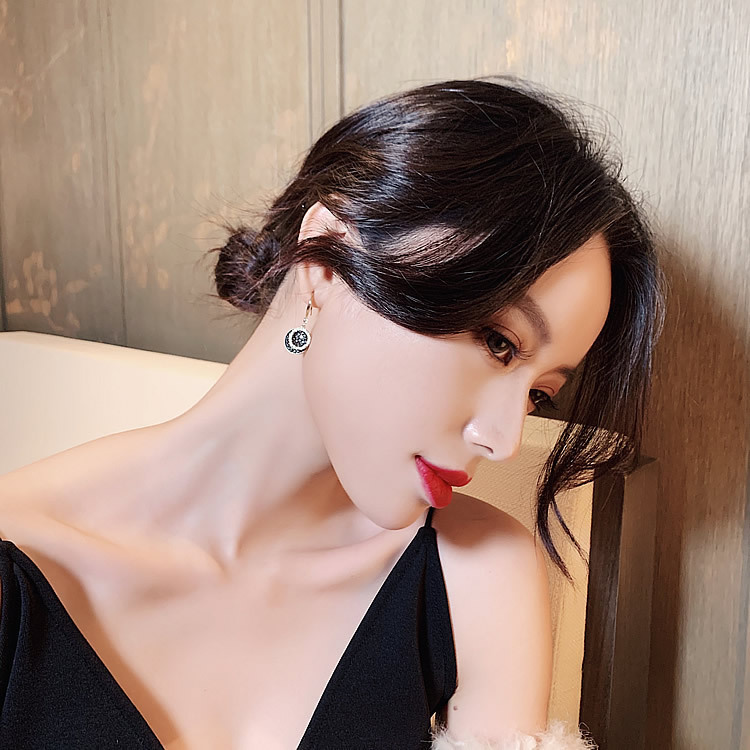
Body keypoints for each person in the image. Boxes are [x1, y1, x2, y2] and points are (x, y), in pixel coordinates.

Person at [0, 77, 665, 749]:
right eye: (498, 342)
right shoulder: (23, 562)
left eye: (538, 393)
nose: (501, 439)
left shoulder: (477, 578)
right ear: (325, 258)